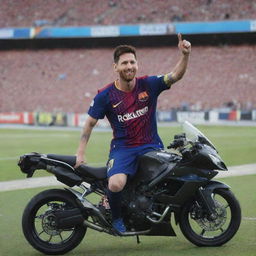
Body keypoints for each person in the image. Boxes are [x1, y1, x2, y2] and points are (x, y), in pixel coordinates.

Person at [75, 34, 191, 233]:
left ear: (137, 65)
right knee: (116, 183)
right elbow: (89, 124)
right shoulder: (106, 95)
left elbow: (175, 75)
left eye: (132, 62)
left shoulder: (149, 84)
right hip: (123, 149)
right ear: (116, 67)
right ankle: (117, 218)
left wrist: (185, 55)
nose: (129, 66)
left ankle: (154, 215)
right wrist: (80, 153)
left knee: (172, 175)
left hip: (151, 146)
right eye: (124, 63)